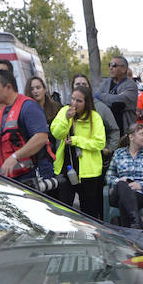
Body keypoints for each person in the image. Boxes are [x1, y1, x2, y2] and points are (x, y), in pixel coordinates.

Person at [48, 84, 107, 218]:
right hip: (66, 167)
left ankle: (92, 235)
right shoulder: (64, 111)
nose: (74, 103)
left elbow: (99, 143)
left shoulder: (94, 117)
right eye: (73, 99)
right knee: (64, 208)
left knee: (89, 210)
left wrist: (77, 140)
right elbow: (56, 133)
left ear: (87, 103)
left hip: (88, 172)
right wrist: (66, 119)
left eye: (79, 101)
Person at [0, 69, 53, 186]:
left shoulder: (28, 107)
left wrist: (15, 157)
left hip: (31, 177)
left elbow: (41, 137)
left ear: (8, 87)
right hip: (12, 178)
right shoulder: (3, 111)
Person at [106, 122, 143, 228]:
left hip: (141, 194)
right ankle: (136, 222)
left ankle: (129, 228)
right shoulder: (119, 153)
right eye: (142, 134)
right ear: (131, 137)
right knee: (123, 185)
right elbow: (109, 177)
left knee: (125, 200)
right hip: (118, 192)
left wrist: (140, 185)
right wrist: (118, 181)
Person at [96, 56, 140, 133]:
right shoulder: (105, 83)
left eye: (114, 65)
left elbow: (120, 101)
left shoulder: (131, 85)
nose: (110, 68)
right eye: (109, 65)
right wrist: (113, 97)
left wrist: (102, 96)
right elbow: (95, 99)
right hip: (106, 129)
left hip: (125, 130)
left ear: (124, 69)